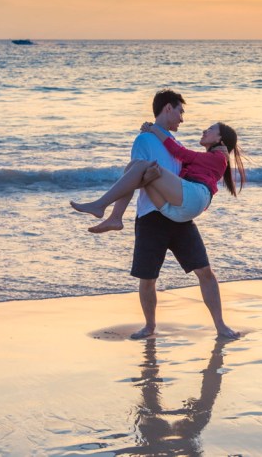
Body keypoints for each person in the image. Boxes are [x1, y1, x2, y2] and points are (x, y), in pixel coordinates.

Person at [77, 89, 242, 340]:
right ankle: (149, 326)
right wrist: (150, 173)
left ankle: (220, 325)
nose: (182, 119)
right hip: (151, 215)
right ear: (168, 108)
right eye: (180, 111)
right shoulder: (144, 140)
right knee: (147, 278)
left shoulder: (176, 143)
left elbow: (189, 171)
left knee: (204, 271)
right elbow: (134, 177)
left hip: (180, 218)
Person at [69, 119, 244, 226]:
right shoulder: (210, 159)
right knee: (136, 167)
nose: (205, 130)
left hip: (193, 197)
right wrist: (154, 133)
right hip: (176, 211)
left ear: (220, 139)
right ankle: (115, 218)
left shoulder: (219, 158)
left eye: (211, 129)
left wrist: (154, 129)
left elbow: (180, 152)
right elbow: (179, 154)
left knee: (142, 165)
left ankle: (100, 205)